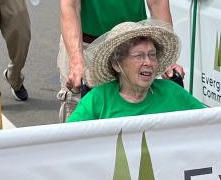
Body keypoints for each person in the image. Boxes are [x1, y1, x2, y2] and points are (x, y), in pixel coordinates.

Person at [67, 21, 204, 121]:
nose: (148, 62)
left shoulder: (172, 92)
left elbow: (213, 122)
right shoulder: (98, 99)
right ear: (116, 64)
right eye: (139, 56)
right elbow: (68, 140)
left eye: (152, 55)